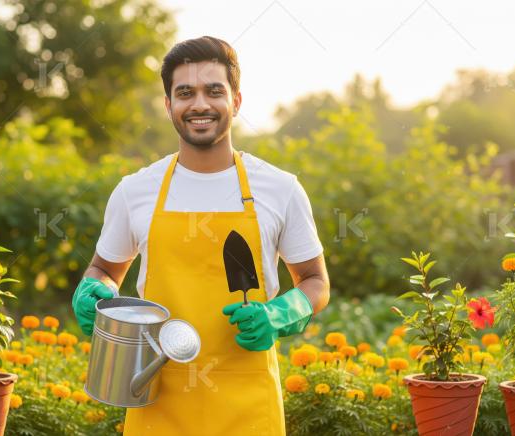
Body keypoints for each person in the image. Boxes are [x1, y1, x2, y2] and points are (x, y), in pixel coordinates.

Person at [72, 36, 329, 436]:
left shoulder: (280, 188)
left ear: (237, 101)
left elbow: (315, 281)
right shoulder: (135, 190)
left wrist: (279, 315)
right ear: (168, 105)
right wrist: (93, 289)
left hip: (248, 405)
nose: (200, 104)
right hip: (155, 395)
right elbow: (105, 268)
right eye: (185, 92)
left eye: (214, 91)